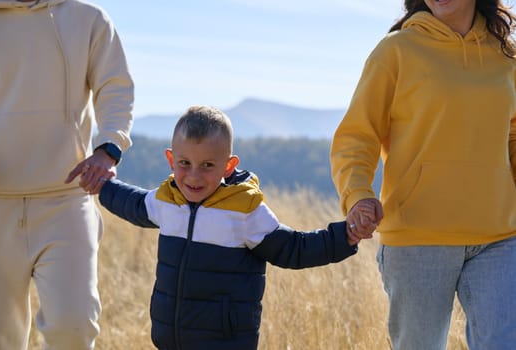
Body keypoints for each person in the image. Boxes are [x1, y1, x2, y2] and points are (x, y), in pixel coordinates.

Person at [91, 105, 375, 350]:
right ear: (170, 160)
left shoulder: (243, 210)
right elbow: (134, 204)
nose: (193, 175)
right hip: (170, 340)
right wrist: (102, 185)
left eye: (207, 165)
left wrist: (345, 236)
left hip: (225, 343)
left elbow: (293, 248)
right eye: (185, 163)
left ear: (228, 166)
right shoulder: (168, 200)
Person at [330, 0, 516, 349]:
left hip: (501, 235)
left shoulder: (506, 54)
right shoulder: (396, 51)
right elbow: (357, 136)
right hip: (419, 236)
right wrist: (358, 195)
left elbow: (512, 135)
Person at [0, 1, 134, 349]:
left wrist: (108, 148)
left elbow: (115, 88)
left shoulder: (89, 19)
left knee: (73, 327)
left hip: (67, 198)